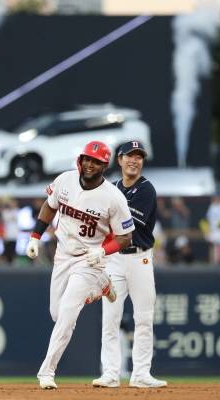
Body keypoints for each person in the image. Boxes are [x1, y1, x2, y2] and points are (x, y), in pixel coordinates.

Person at [27, 141, 134, 390]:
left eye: (96, 161)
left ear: (104, 166)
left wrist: (103, 251)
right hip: (63, 255)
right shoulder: (65, 180)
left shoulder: (113, 197)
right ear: (80, 159)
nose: (89, 164)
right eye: (87, 159)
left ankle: (46, 372)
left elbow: (125, 237)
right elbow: (49, 206)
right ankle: (102, 285)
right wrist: (35, 236)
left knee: (67, 314)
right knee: (57, 314)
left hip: (90, 258)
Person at [92, 141, 167, 389]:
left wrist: (106, 218)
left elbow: (126, 225)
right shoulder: (111, 188)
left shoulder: (146, 189)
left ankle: (141, 374)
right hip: (114, 260)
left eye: (139, 157)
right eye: (129, 156)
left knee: (143, 318)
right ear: (120, 159)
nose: (134, 160)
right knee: (110, 318)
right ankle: (110, 373)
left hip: (139, 258)